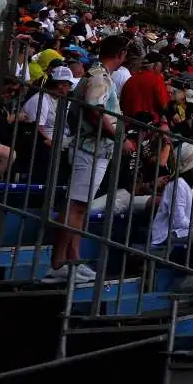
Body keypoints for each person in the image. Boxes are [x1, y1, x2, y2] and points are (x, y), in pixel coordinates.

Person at [45, 34, 131, 285]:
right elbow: (95, 111)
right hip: (89, 150)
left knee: (79, 209)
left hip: (95, 150)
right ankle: (58, 263)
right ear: (121, 54)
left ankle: (73, 260)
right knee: (74, 208)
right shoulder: (98, 76)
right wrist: (119, 137)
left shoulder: (100, 74)